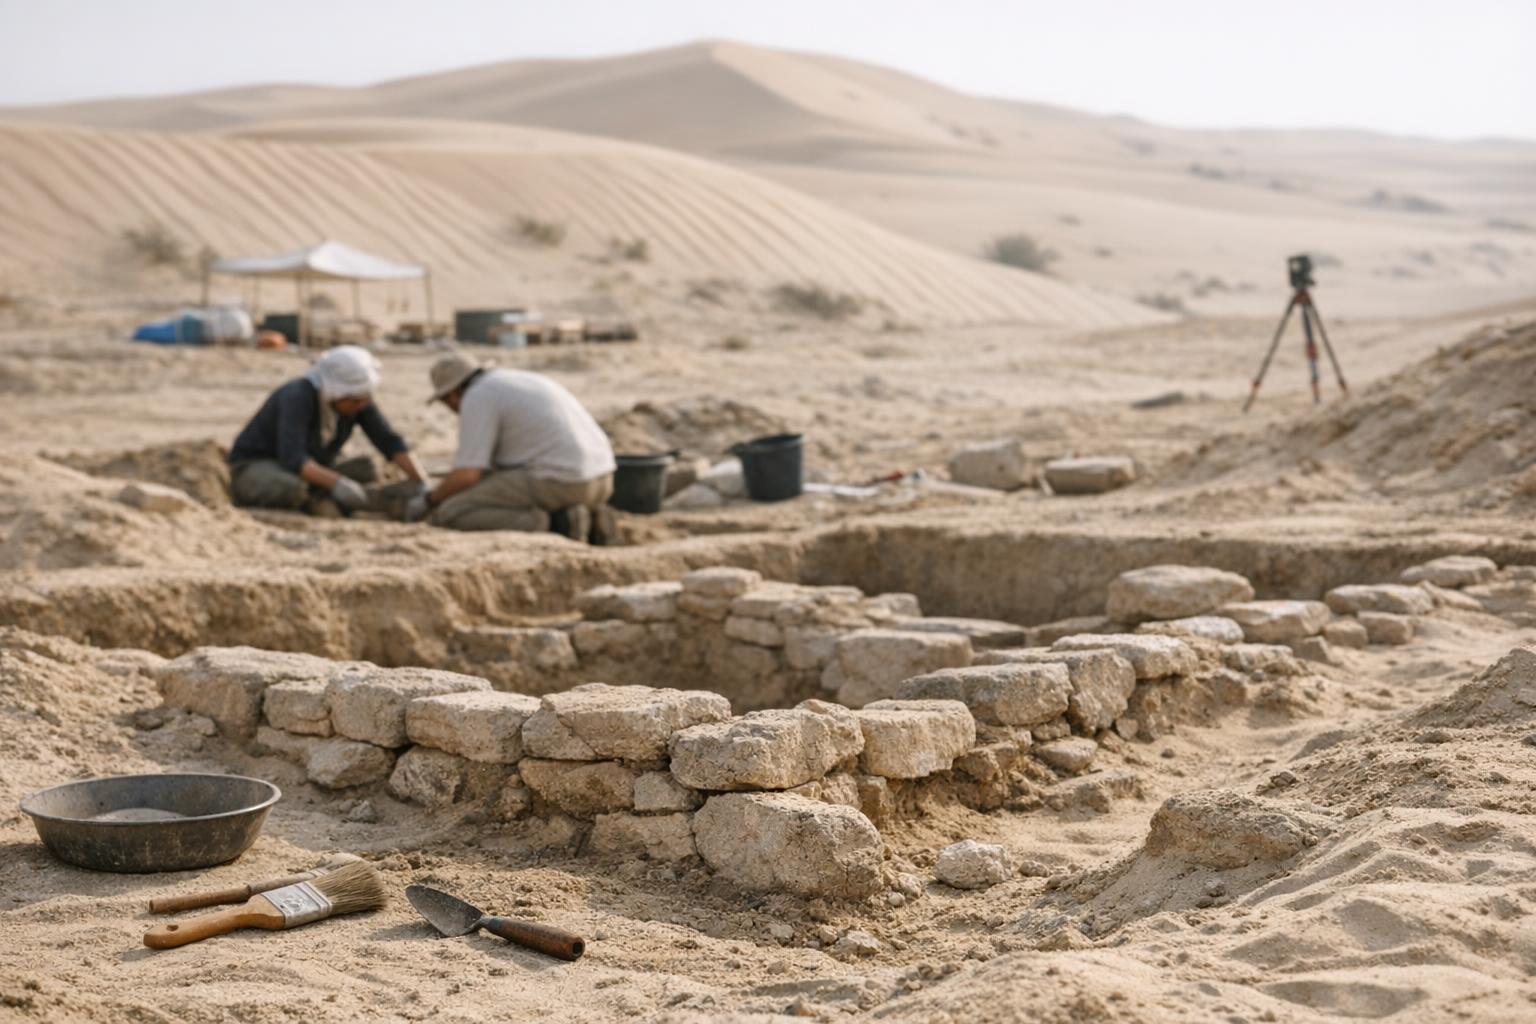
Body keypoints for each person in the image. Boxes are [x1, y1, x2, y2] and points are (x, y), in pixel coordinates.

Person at [406, 353, 615, 540]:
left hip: (564, 482)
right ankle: (592, 515)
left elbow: (468, 475)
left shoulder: (478, 396)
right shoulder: (515, 380)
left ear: (452, 394)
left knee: (454, 511)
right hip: (602, 479)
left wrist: (429, 500)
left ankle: (556, 524)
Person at [228, 345, 427, 513]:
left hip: (312, 466)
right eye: (355, 401)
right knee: (291, 488)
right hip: (261, 464)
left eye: (364, 400)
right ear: (336, 393)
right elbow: (293, 457)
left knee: (368, 468)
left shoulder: (357, 401)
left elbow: (388, 440)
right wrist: (338, 484)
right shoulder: (297, 397)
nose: (361, 406)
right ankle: (317, 501)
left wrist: (422, 483)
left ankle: (321, 493)